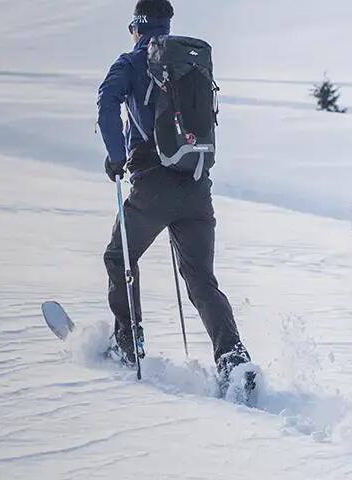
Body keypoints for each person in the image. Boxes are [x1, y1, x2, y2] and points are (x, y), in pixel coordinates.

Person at [96, 0, 255, 384]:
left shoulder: (131, 62)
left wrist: (116, 157)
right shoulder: (188, 62)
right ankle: (234, 361)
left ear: (136, 25)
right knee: (201, 279)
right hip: (197, 184)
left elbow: (106, 104)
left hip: (152, 186)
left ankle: (128, 343)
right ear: (167, 24)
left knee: (119, 257)